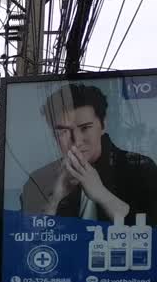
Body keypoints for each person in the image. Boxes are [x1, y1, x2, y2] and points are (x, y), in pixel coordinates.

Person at [20, 83, 157, 224]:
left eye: (85, 128)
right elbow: (27, 241)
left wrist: (102, 194)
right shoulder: (37, 181)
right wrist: (54, 199)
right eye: (63, 131)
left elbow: (151, 233)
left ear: (103, 125)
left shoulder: (140, 168)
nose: (76, 141)